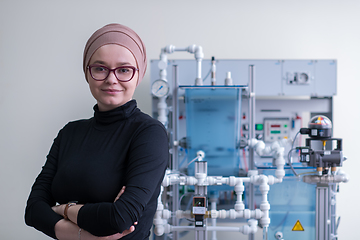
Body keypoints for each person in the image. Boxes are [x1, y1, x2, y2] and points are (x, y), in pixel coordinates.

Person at [25, 23, 169, 240]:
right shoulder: (70, 133)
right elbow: (33, 210)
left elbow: (120, 218)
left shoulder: (149, 133)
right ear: (87, 72)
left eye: (123, 70)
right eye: (100, 68)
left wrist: (63, 209)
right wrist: (85, 235)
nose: (112, 79)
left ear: (138, 75)